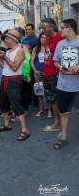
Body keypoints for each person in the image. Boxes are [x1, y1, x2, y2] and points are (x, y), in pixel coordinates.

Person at [0, 29, 30, 140]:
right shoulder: (8, 51)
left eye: (6, 38)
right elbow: (5, 67)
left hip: (14, 80)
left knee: (16, 104)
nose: (5, 40)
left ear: (13, 39)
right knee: (3, 102)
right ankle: (7, 124)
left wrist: (4, 58)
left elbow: (14, 67)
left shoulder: (20, 51)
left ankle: (25, 130)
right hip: (5, 78)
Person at [53, 19, 79, 150]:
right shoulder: (60, 44)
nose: (60, 30)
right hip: (62, 86)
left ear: (70, 28)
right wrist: (59, 66)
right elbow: (55, 62)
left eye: (62, 28)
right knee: (64, 113)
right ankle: (64, 137)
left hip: (78, 88)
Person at [41, 18, 63, 132]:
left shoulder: (60, 38)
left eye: (44, 28)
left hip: (55, 74)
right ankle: (57, 121)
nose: (42, 30)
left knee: (56, 99)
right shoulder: (48, 39)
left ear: (51, 27)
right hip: (46, 73)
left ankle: (58, 123)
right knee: (51, 99)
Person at [31, 32, 47, 116]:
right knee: (39, 91)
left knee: (48, 92)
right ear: (39, 39)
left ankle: (50, 109)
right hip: (37, 72)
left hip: (48, 73)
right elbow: (32, 62)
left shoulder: (49, 48)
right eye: (42, 37)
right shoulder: (35, 49)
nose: (43, 39)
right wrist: (35, 71)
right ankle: (41, 109)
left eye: (45, 37)